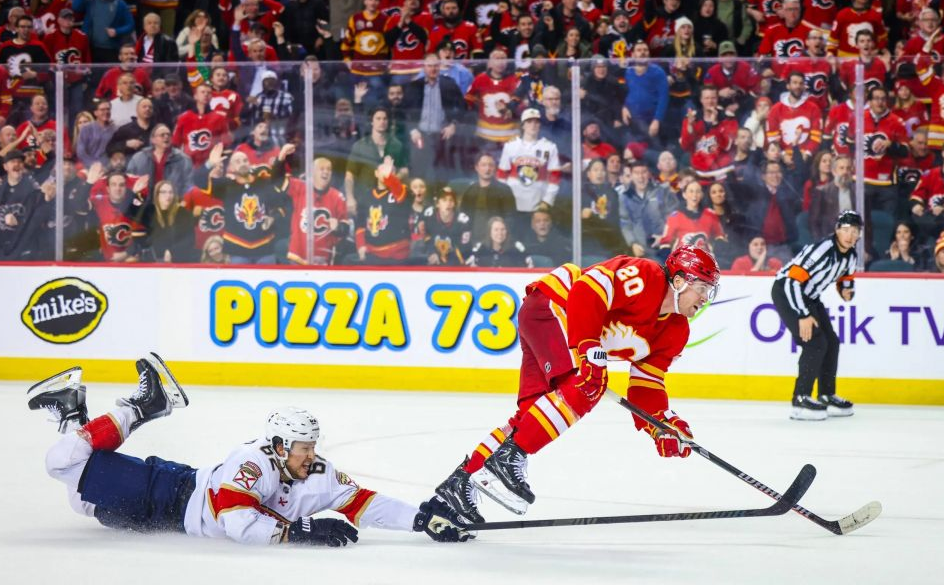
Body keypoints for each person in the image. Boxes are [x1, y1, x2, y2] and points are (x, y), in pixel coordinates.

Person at [28, 354, 470, 545]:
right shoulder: (252, 462)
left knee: (82, 502)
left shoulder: (317, 473)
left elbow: (363, 503)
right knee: (62, 462)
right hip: (164, 492)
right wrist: (295, 534)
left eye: (313, 446)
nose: (310, 455)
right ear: (279, 446)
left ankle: (71, 409)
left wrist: (419, 519)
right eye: (301, 448)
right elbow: (236, 522)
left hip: (165, 520)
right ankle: (142, 405)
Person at [435, 245, 720, 522]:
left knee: (533, 416)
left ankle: (461, 482)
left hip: (549, 322)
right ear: (680, 280)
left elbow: (647, 385)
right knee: (589, 383)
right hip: (554, 304)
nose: (705, 298)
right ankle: (510, 457)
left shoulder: (675, 331)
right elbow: (587, 290)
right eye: (703, 288)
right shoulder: (646, 276)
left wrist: (662, 425)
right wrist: (589, 348)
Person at [771, 210, 861, 421]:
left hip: (810, 296)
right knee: (815, 343)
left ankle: (826, 394)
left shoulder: (851, 255)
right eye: (846, 229)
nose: (850, 235)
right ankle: (800, 399)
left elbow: (845, 278)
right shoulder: (822, 250)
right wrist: (802, 314)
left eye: (855, 231)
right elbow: (793, 281)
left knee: (832, 342)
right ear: (837, 230)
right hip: (786, 291)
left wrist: (847, 290)